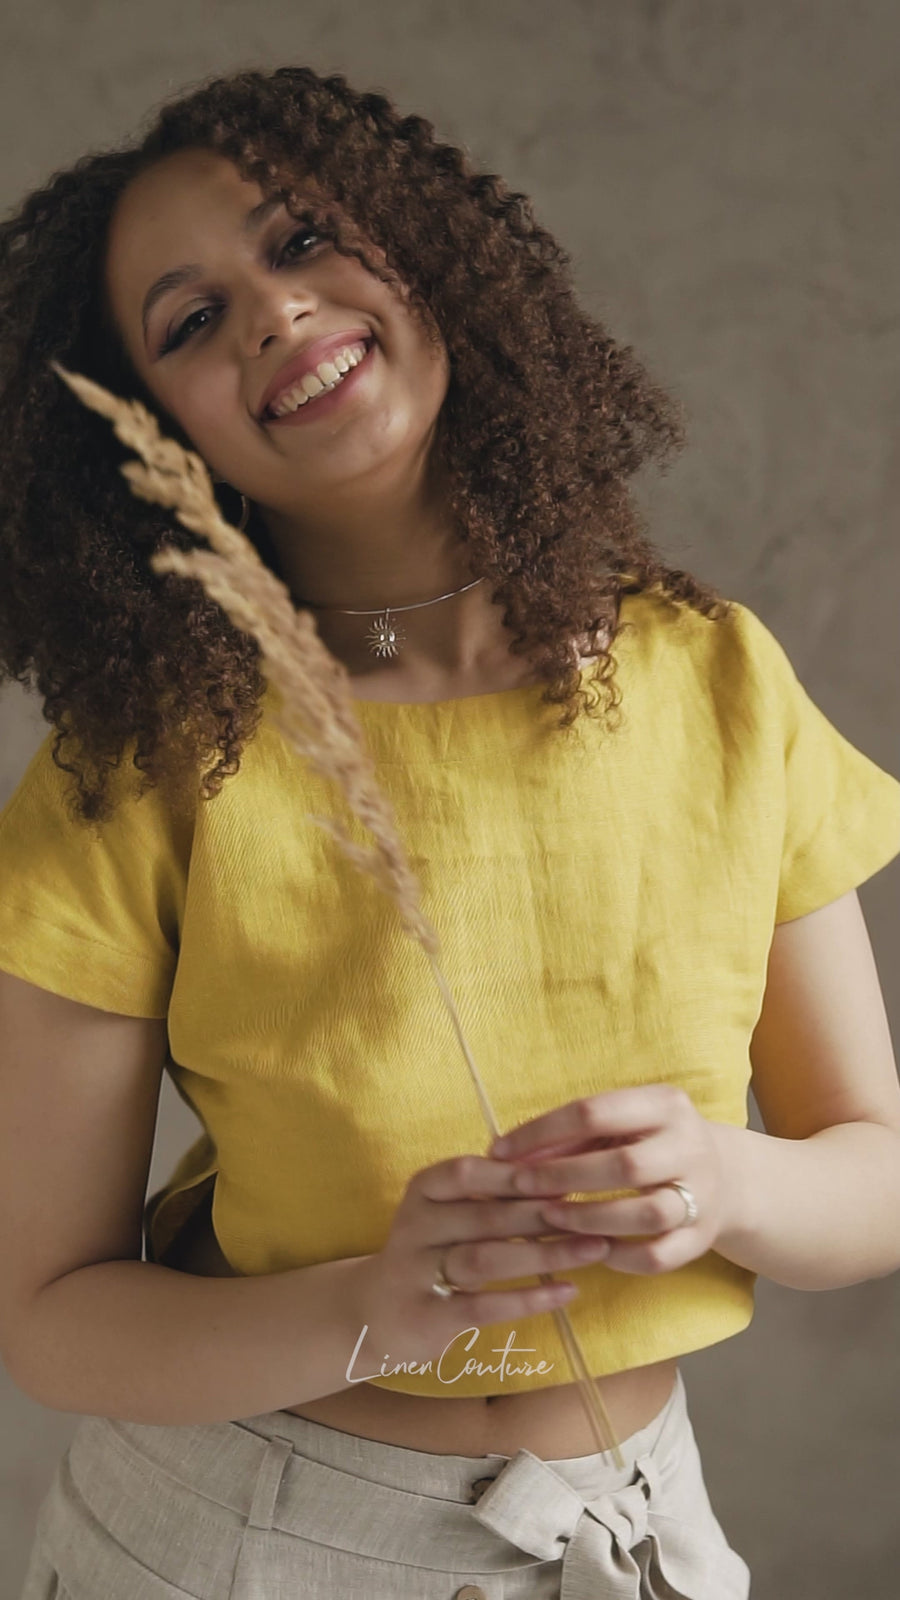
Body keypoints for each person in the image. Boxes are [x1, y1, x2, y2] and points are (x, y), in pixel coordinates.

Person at [1, 63, 899, 1600]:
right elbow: (48, 1313)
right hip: (250, 1541)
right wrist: (375, 1303)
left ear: (428, 259)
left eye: (300, 243)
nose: (275, 314)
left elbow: (872, 1181)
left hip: (634, 1530)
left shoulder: (715, 678)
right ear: (160, 431)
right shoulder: (147, 765)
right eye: (192, 320)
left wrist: (722, 1179)